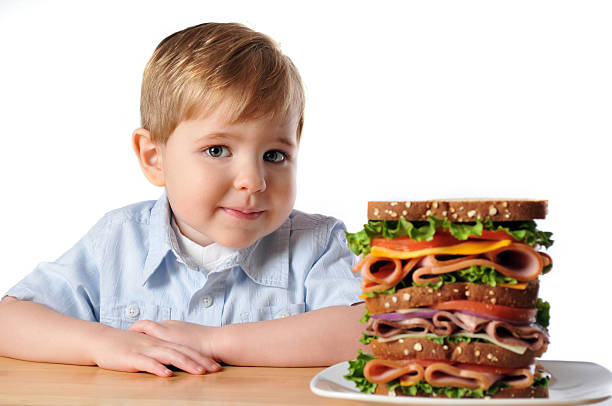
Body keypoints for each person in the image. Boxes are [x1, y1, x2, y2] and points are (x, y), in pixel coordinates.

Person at [0, 22, 366, 377]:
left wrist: (212, 341)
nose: (253, 181)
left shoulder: (316, 244)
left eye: (274, 155)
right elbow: (9, 320)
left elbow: (367, 333)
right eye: (218, 149)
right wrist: (101, 343)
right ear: (154, 158)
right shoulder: (118, 240)